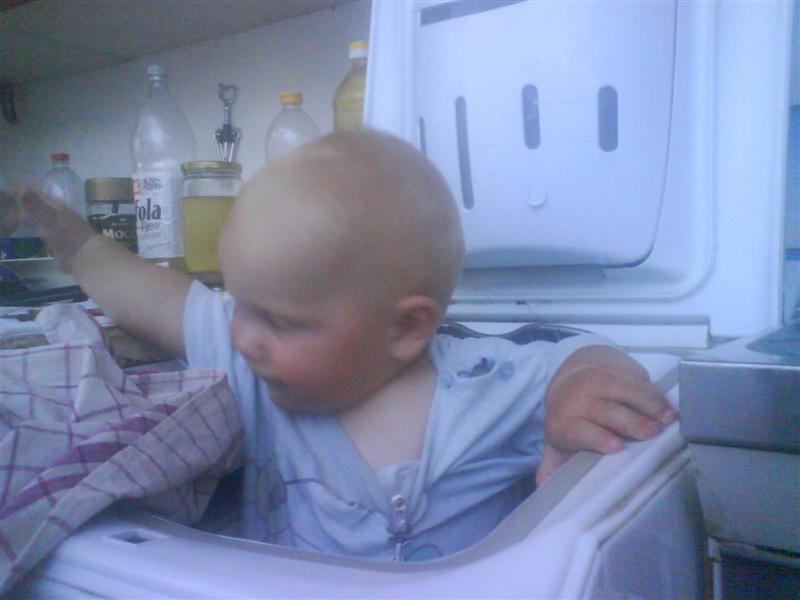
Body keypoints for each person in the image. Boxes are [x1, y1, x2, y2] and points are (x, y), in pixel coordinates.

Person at [19, 130, 677, 561]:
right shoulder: (256, 371)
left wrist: (580, 387)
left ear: (406, 330)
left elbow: (577, 354)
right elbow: (157, 300)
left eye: (279, 320)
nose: (242, 336)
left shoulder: (484, 387)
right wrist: (77, 247)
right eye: (237, 305)